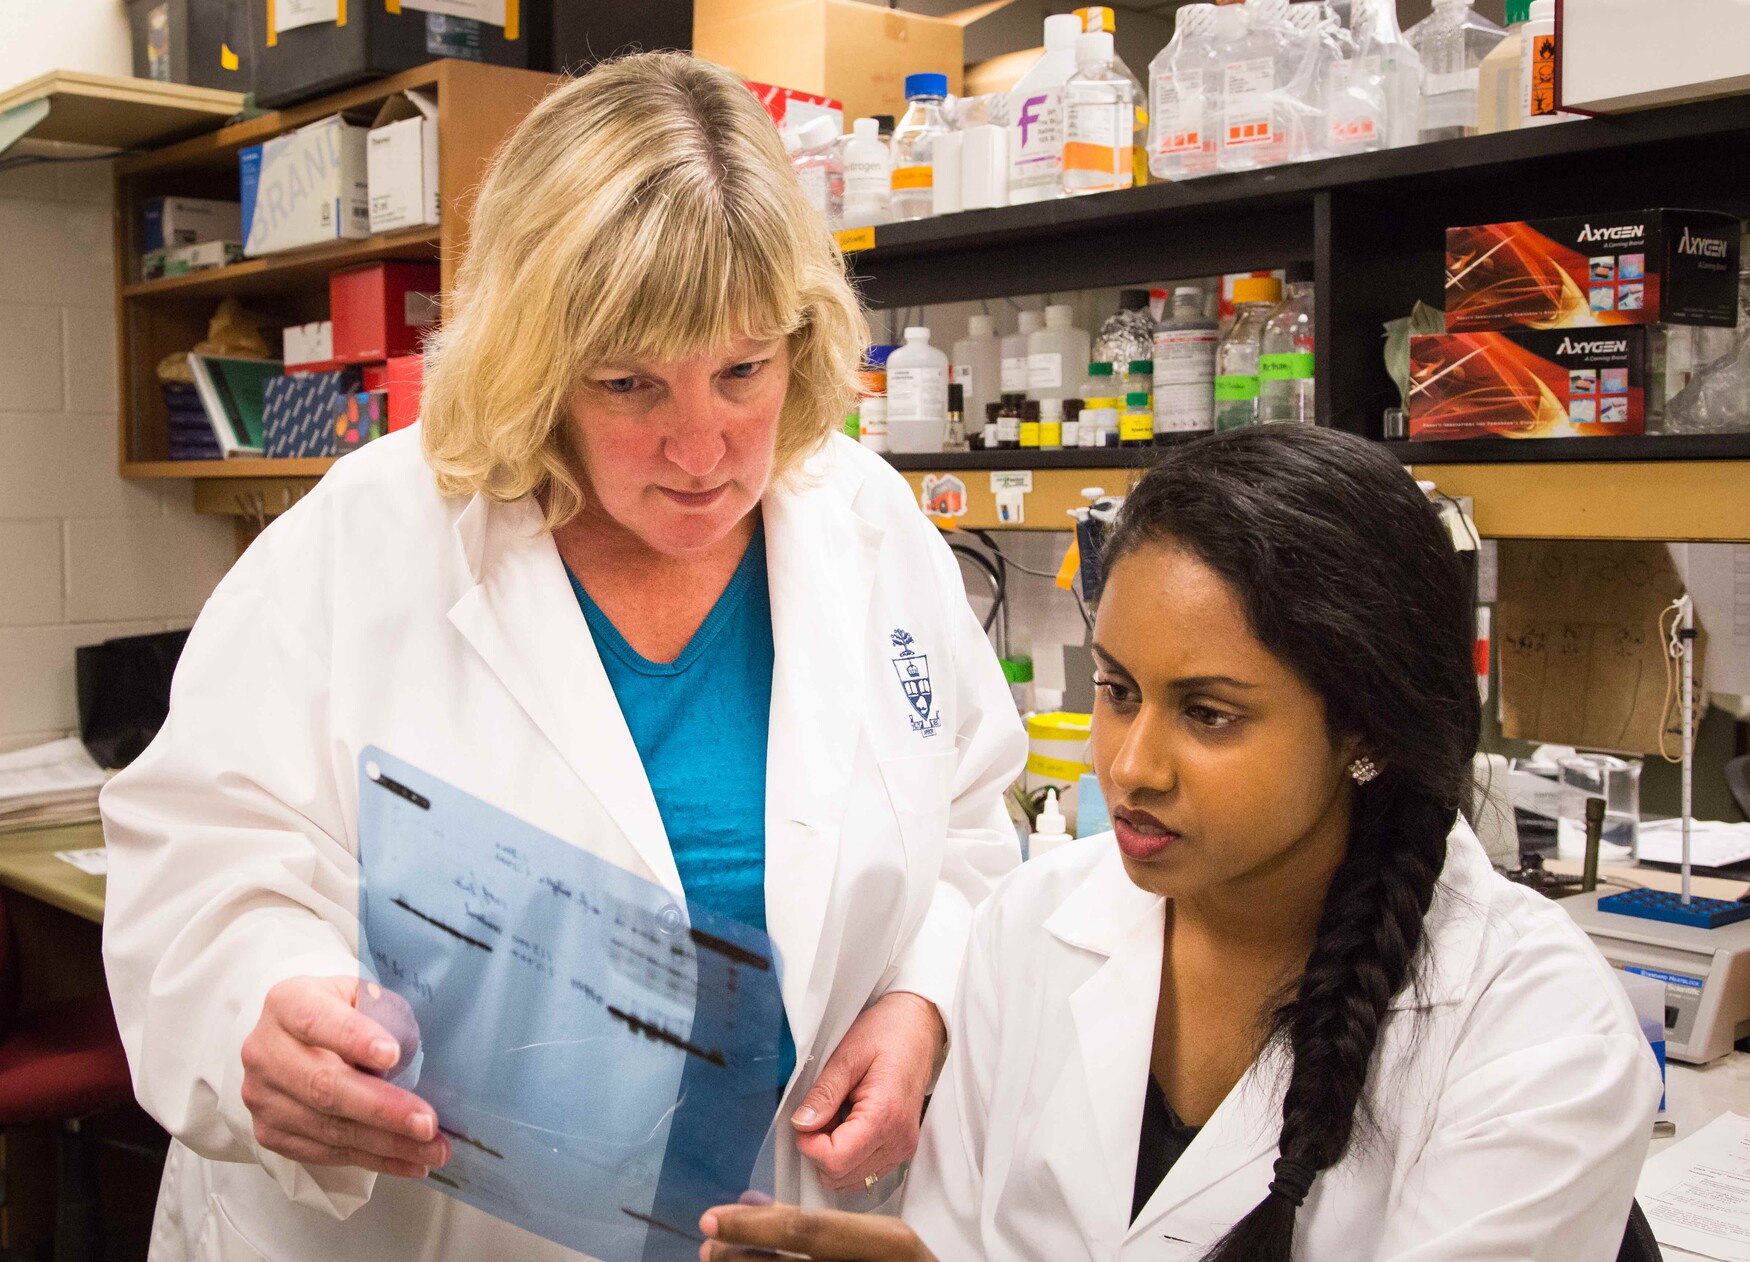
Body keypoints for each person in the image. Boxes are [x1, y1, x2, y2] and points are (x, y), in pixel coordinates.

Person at [99, 52, 1026, 1261]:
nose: (702, 446)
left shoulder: (867, 522)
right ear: (537, 366)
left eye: (743, 368)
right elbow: (202, 861)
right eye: (629, 381)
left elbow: (966, 831)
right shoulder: (365, 536)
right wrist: (260, 1008)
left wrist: (923, 1000)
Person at [700, 425, 1662, 1262]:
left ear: (1363, 729)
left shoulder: (1536, 1035)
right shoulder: (1028, 930)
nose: (1130, 765)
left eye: (1208, 715)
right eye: (1117, 690)